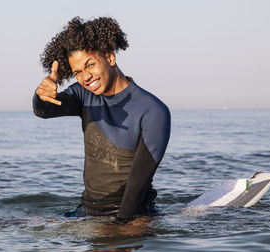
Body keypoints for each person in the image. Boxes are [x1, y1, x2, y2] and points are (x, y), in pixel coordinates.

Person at [33, 17, 170, 223]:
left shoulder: (153, 111)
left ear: (110, 57)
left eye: (90, 65)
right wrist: (40, 94)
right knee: (3, 229)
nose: (85, 77)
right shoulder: (83, 95)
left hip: (133, 215)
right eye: (77, 72)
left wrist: (119, 225)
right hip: (87, 212)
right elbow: (44, 111)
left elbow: (137, 185)